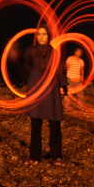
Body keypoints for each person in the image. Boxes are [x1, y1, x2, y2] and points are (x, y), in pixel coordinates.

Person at [24, 25, 68, 165]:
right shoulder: (31, 51)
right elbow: (24, 65)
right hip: (36, 90)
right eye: (39, 34)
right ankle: (35, 156)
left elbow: (59, 71)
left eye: (44, 34)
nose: (41, 36)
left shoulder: (55, 53)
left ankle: (57, 155)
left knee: (54, 124)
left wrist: (65, 90)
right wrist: (32, 78)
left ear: (49, 36)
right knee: (35, 125)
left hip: (51, 91)